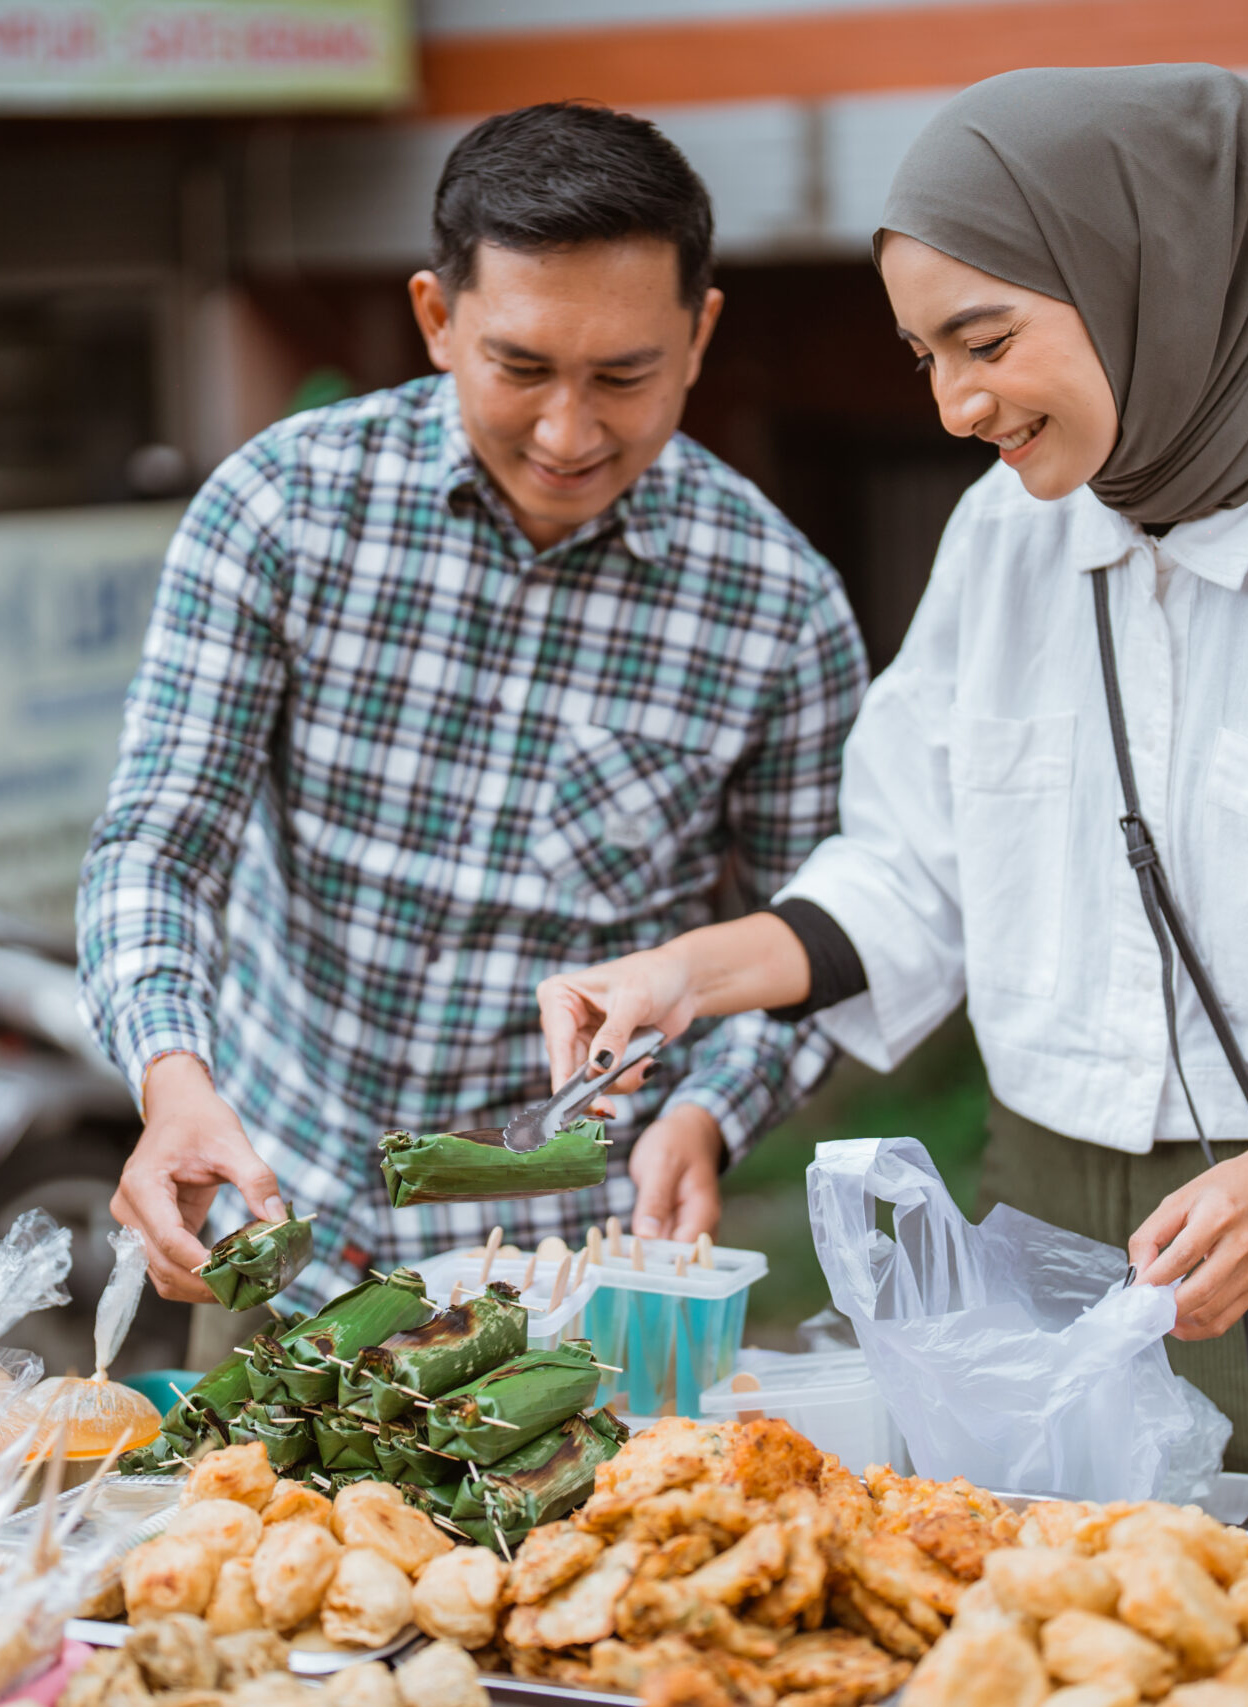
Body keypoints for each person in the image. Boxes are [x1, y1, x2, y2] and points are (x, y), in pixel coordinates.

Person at [535, 65, 1248, 1488]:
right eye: (925, 356)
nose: (957, 404)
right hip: (1029, 1215)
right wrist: (687, 973)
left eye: (984, 340)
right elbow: (913, 868)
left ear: (1138, 275)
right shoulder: (1005, 540)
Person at [78, 101, 869, 1320]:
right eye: (522, 368)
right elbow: (160, 843)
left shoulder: (777, 603)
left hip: (576, 1275)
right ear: (438, 320)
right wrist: (172, 1082)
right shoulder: (283, 509)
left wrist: (712, 1111)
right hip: (281, 1213)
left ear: (700, 335)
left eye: (624, 376)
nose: (568, 431)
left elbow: (818, 934)